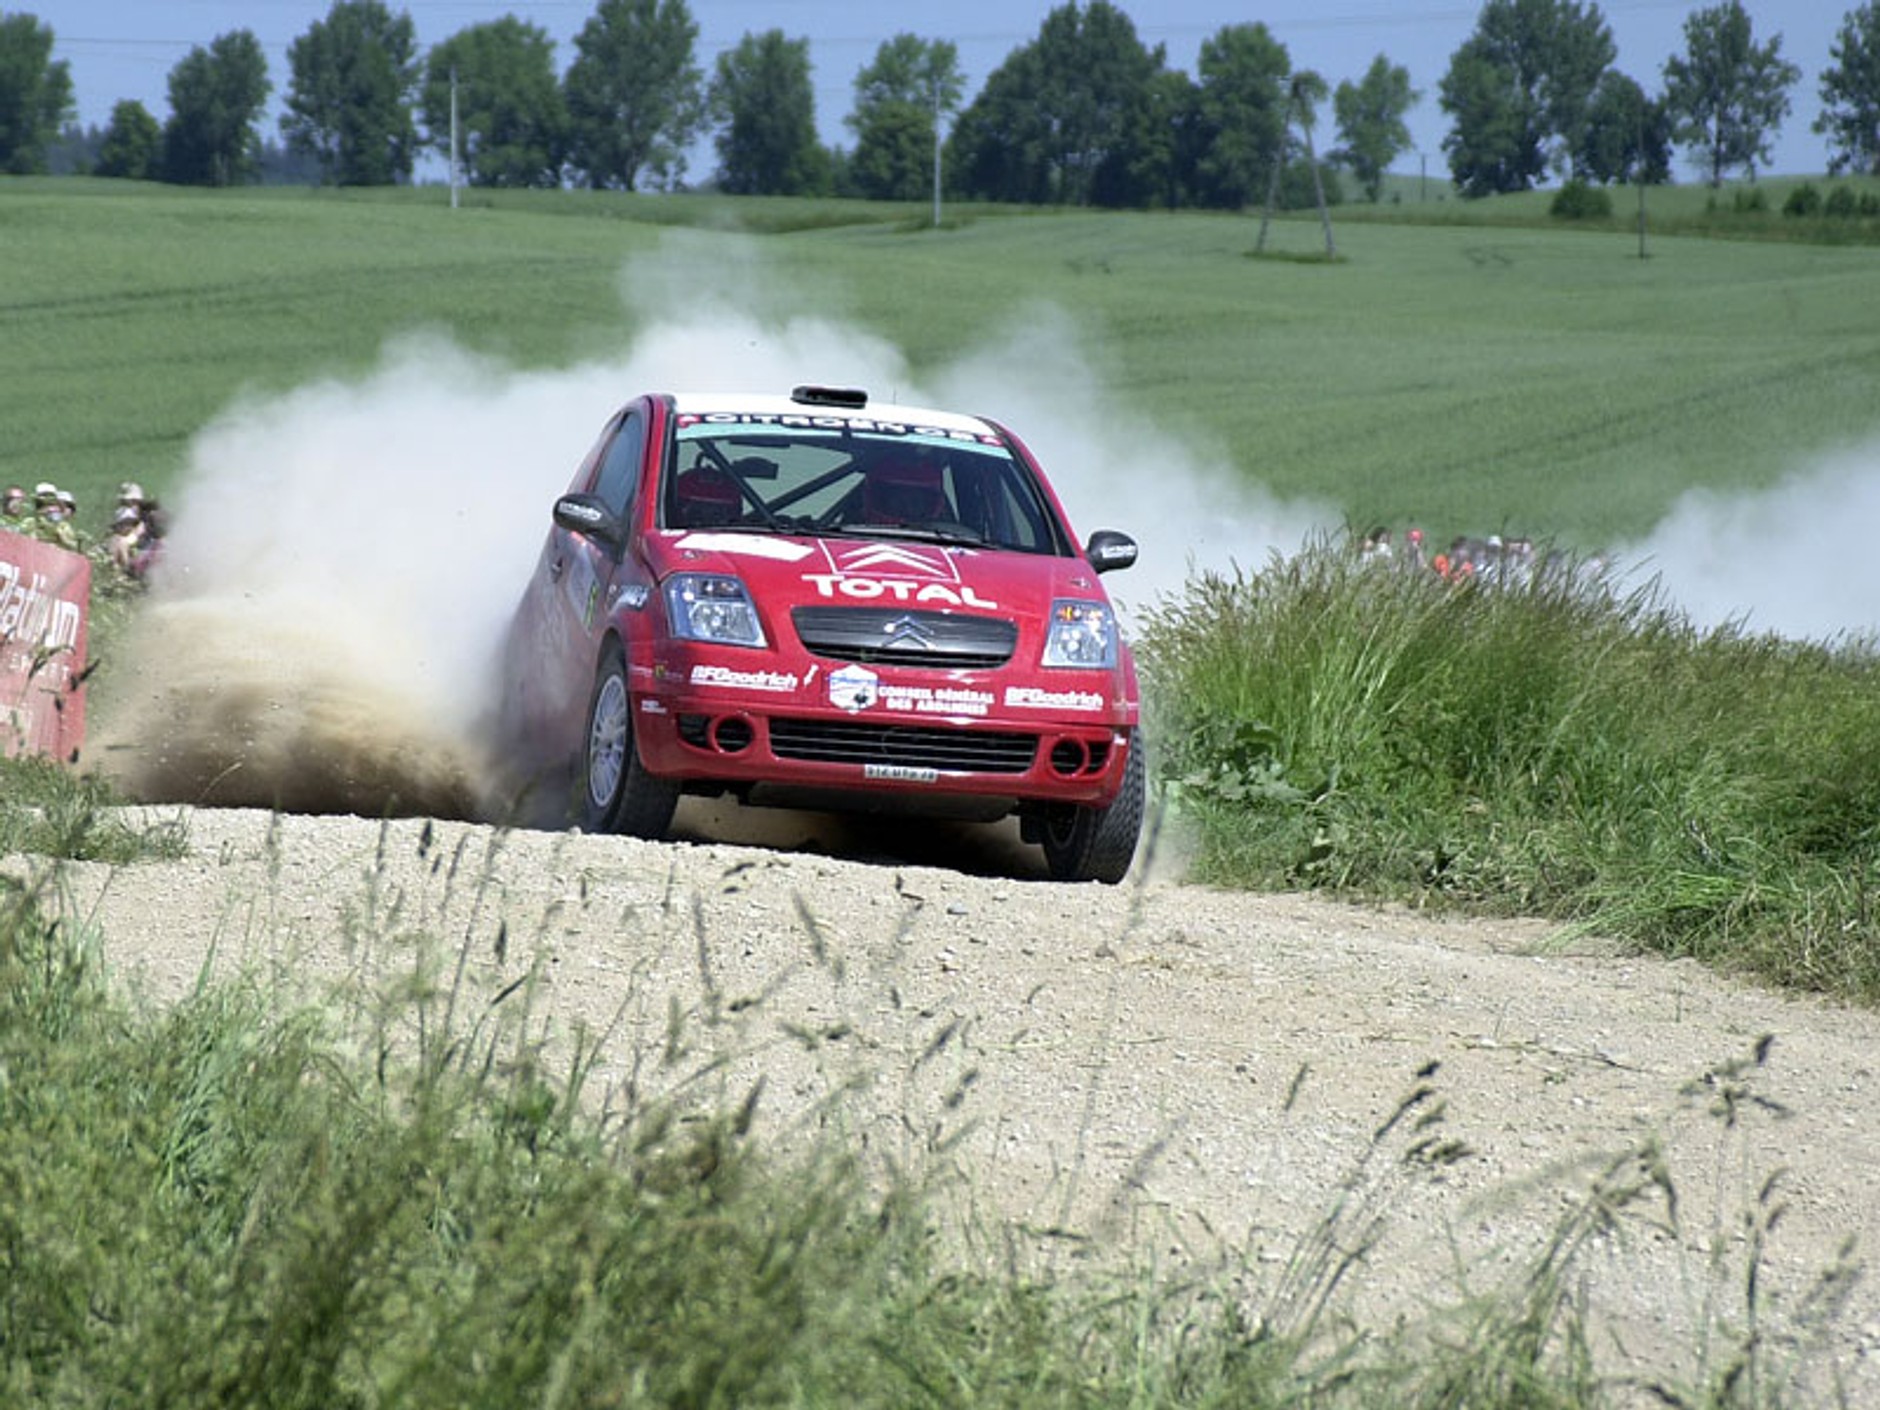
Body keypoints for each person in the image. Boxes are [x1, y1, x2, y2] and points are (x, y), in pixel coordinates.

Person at [862, 455, 949, 525]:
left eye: (915, 503)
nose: (909, 509)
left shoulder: (951, 537)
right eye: (898, 502)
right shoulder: (850, 530)